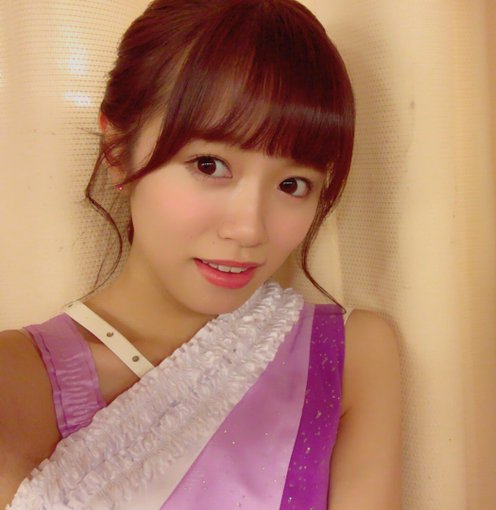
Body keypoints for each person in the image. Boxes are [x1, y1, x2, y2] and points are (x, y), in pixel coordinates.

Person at [0, 0, 402, 508]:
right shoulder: (17, 380)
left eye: (293, 184)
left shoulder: (349, 355)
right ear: (118, 150)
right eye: (209, 165)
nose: (249, 228)